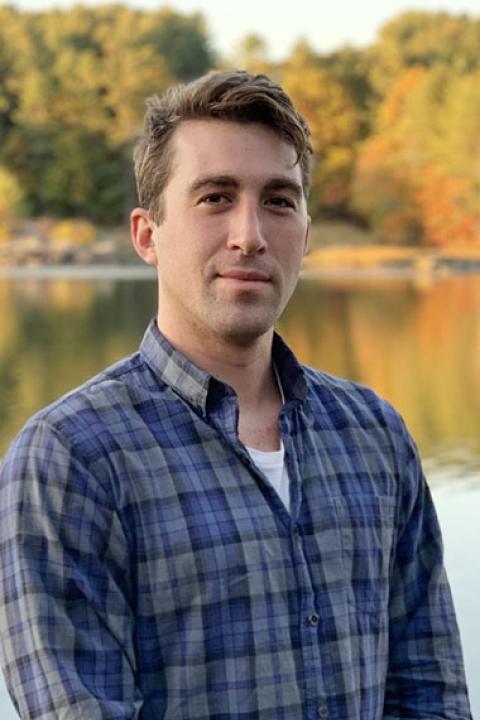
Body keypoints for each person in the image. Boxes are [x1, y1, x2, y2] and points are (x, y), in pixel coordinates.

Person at [0, 70, 472, 720]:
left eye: (278, 200)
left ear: (306, 236)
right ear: (146, 236)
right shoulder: (70, 459)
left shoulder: (375, 435)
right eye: (216, 197)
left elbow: (432, 695)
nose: (249, 234)